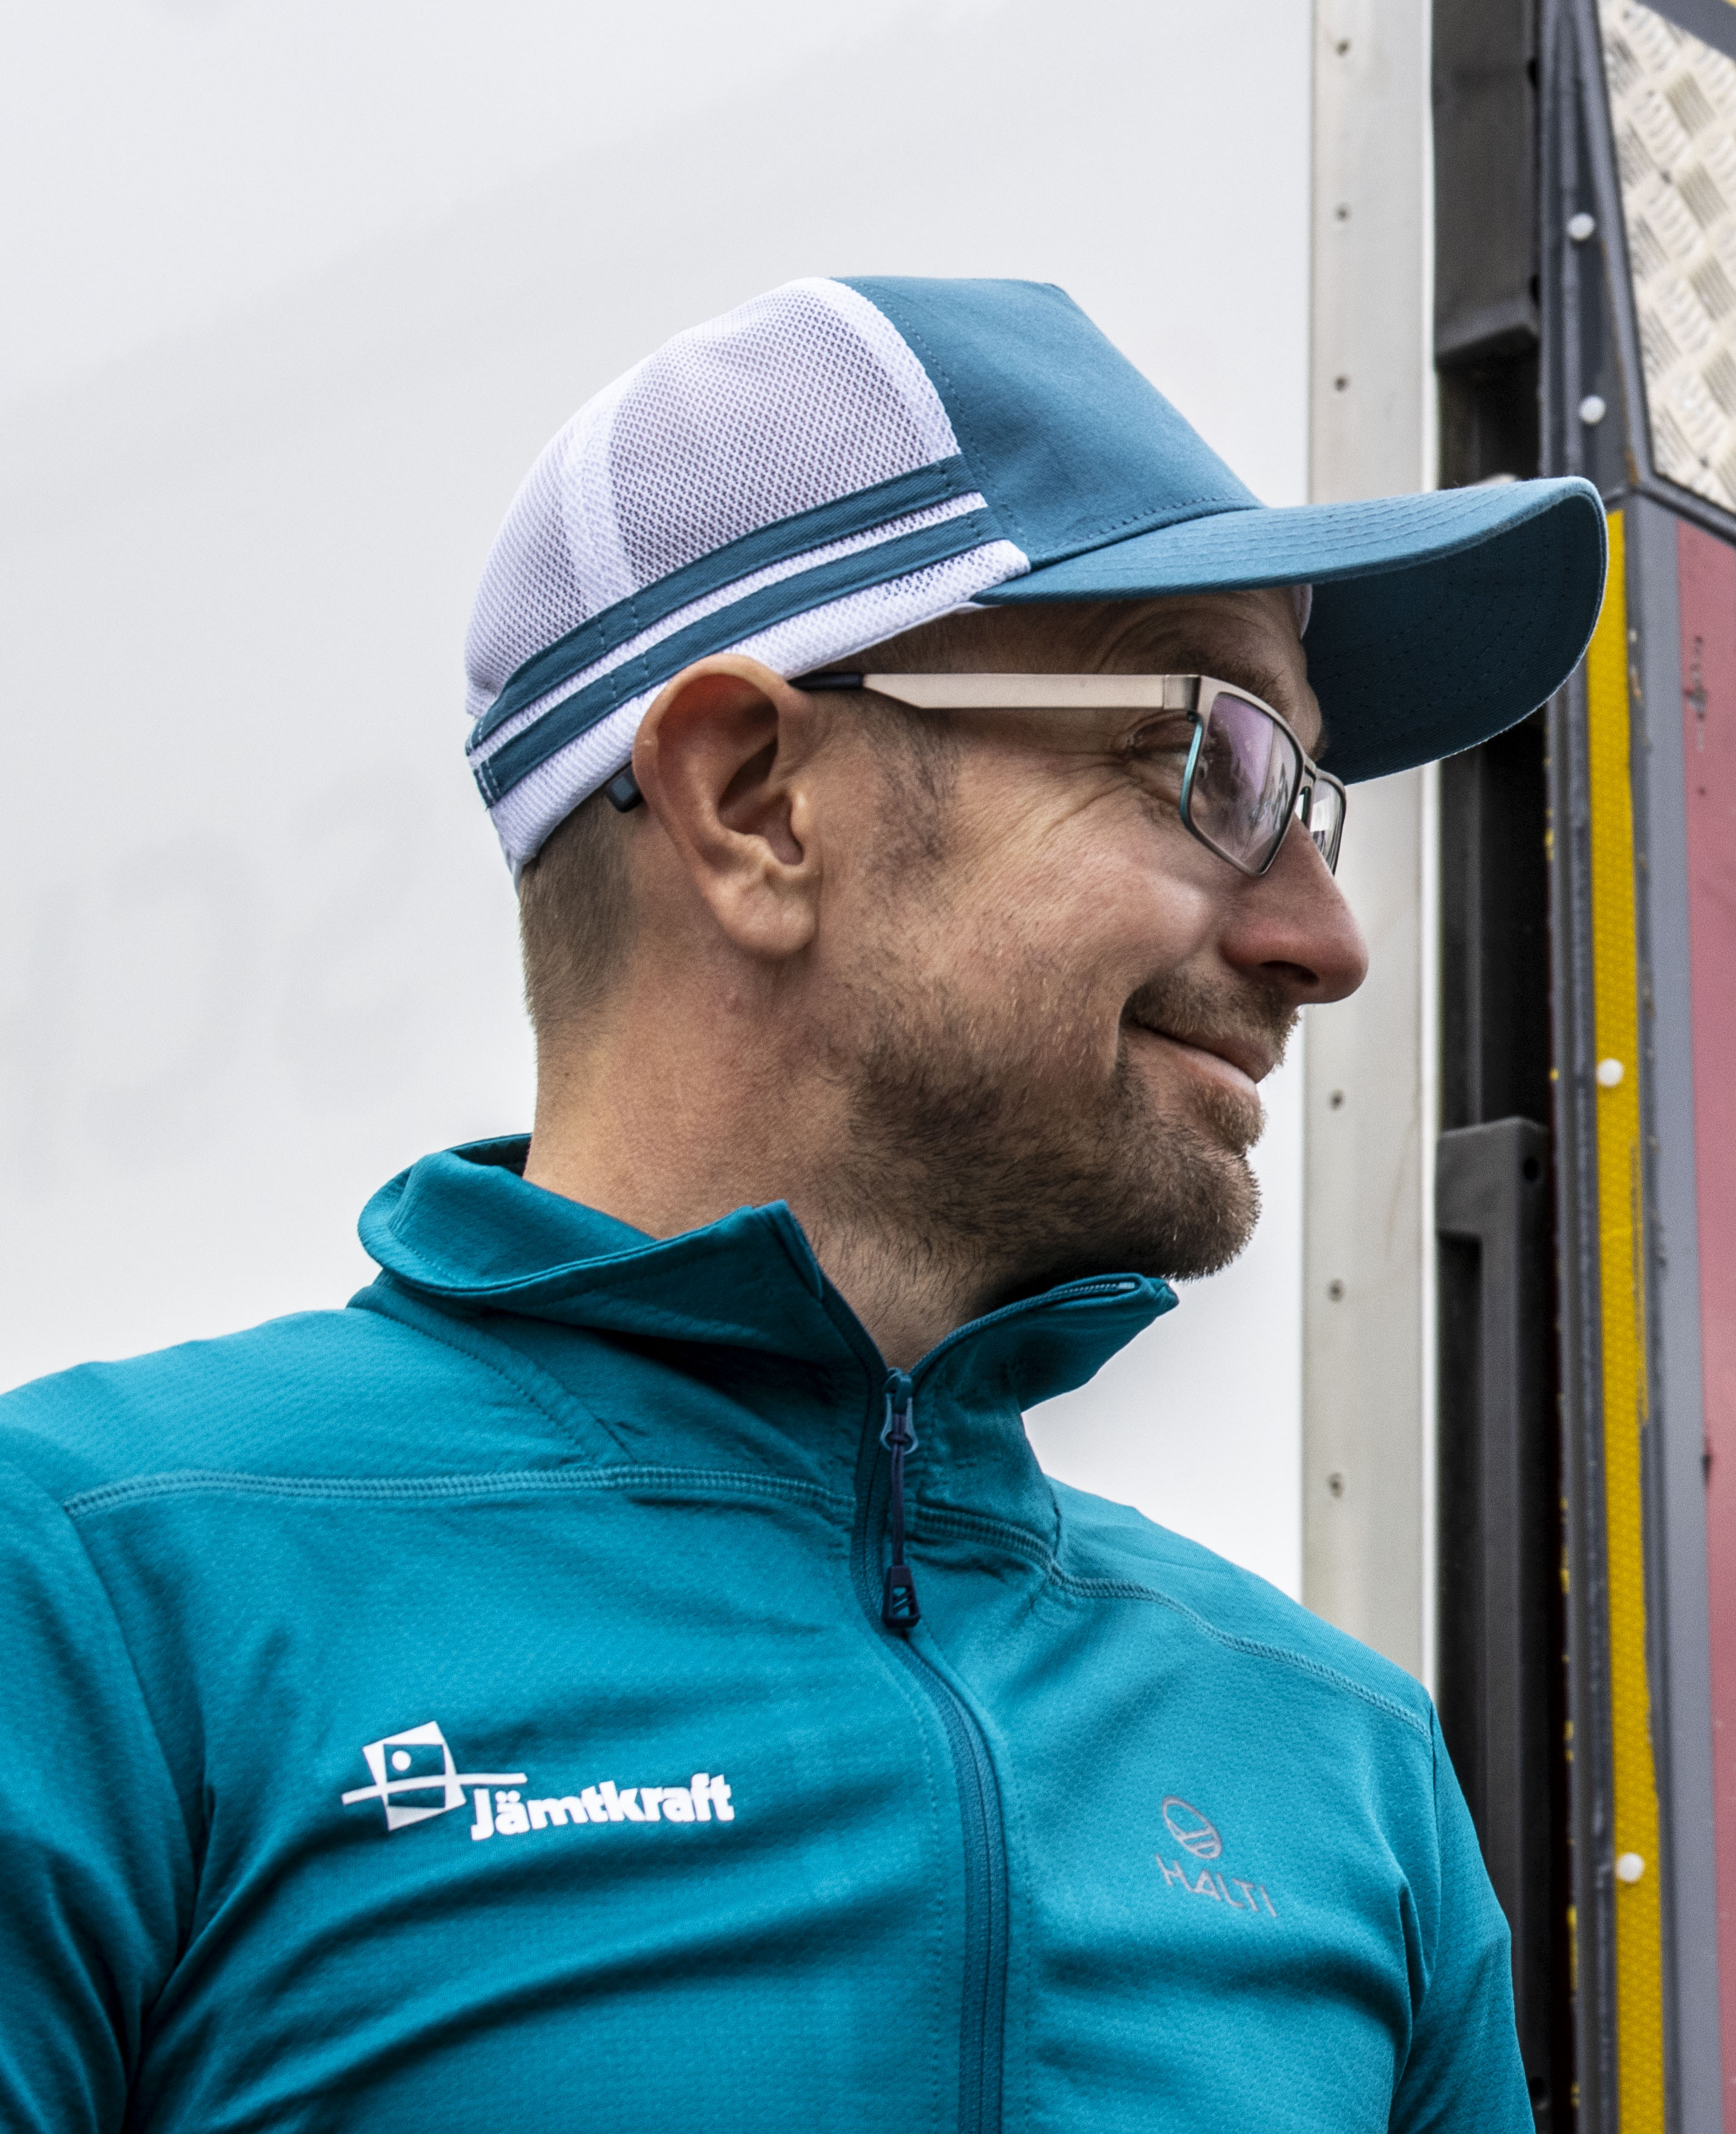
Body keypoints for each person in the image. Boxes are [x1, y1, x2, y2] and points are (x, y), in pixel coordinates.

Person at [0, 277, 1605, 2130]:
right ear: (754, 800)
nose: (1327, 939)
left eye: (1306, 801)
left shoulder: (1348, 1765)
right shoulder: (96, 1590)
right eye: (1212, 760)